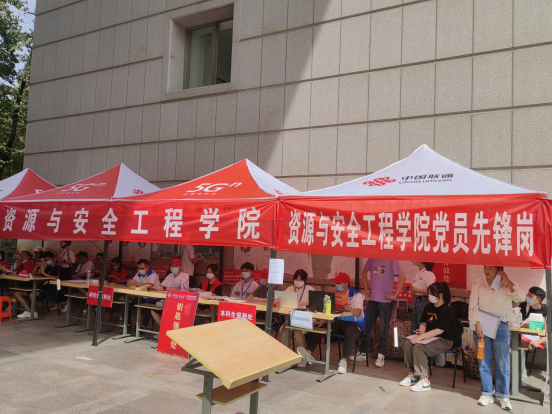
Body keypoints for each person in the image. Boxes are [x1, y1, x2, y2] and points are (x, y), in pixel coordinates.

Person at [469, 266, 525, 410]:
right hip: (482, 325)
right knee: (483, 360)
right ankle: (487, 393)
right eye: (485, 267)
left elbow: (521, 297)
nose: (486, 271)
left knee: (503, 362)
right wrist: (476, 323)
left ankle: (503, 395)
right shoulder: (478, 283)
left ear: (499, 269)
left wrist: (506, 278)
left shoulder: (507, 284)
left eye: (491, 268)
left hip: (501, 325)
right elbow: (473, 304)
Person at [298, 273, 364, 374]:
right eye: (336, 283)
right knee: (318, 328)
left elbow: (358, 313)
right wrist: (323, 320)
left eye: (339, 283)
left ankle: (344, 361)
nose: (336, 285)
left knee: (350, 334)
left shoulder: (357, 295)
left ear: (346, 283)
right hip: (338, 322)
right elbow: (331, 311)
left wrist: (351, 309)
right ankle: (307, 355)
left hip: (354, 324)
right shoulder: (335, 294)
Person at [401, 282, 460, 392]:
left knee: (419, 348)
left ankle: (424, 381)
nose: (429, 296)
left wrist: (421, 337)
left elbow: (439, 330)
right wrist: (421, 331)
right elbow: (424, 322)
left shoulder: (448, 311)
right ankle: (412, 374)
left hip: (445, 340)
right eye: (429, 294)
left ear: (440, 295)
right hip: (430, 337)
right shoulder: (429, 306)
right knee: (408, 343)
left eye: (431, 294)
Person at [355, 259, 405, 367]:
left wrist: (395, 294)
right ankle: (363, 352)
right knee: (366, 326)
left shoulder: (392, 259)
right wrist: (366, 288)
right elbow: (364, 271)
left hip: (385, 302)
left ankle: (381, 355)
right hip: (373, 300)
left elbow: (402, 276)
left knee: (383, 329)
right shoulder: (373, 257)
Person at [280, 270, 315, 367]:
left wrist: (299, 303)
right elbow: (282, 299)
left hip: (305, 319)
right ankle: (285, 356)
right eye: (296, 279)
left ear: (305, 280)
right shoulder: (290, 289)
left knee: (297, 330)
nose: (298, 281)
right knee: (284, 331)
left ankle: (302, 357)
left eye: (300, 279)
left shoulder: (310, 289)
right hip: (291, 318)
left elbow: (313, 303)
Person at [14, 251, 59, 318]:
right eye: (45, 260)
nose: (46, 262)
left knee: (32, 294)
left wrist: (43, 272)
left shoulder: (58, 267)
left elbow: (56, 278)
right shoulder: (46, 267)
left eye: (47, 260)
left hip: (50, 288)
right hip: (41, 287)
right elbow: (33, 274)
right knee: (17, 293)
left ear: (52, 258)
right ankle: (28, 310)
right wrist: (37, 266)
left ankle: (34, 313)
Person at [519, 286, 547, 380]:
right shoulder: (523, 306)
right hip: (524, 336)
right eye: (528, 294)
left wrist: (539, 341)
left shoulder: (546, 310)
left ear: (538, 300)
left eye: (530, 296)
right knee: (518, 344)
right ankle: (522, 371)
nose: (527, 297)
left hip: (542, 338)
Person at [150, 259, 189, 327]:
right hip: (168, 301)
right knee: (153, 310)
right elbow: (162, 285)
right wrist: (158, 287)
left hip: (180, 302)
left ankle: (168, 329)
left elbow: (179, 288)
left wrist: (165, 288)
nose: (173, 267)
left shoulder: (185, 275)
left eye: (175, 266)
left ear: (180, 267)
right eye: (172, 266)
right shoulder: (170, 275)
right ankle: (164, 328)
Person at [410, 262, 436, 334]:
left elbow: (431, 290)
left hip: (424, 300)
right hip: (417, 300)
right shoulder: (419, 272)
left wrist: (417, 290)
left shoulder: (429, 274)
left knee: (422, 323)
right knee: (414, 325)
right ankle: (414, 340)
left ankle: (422, 339)